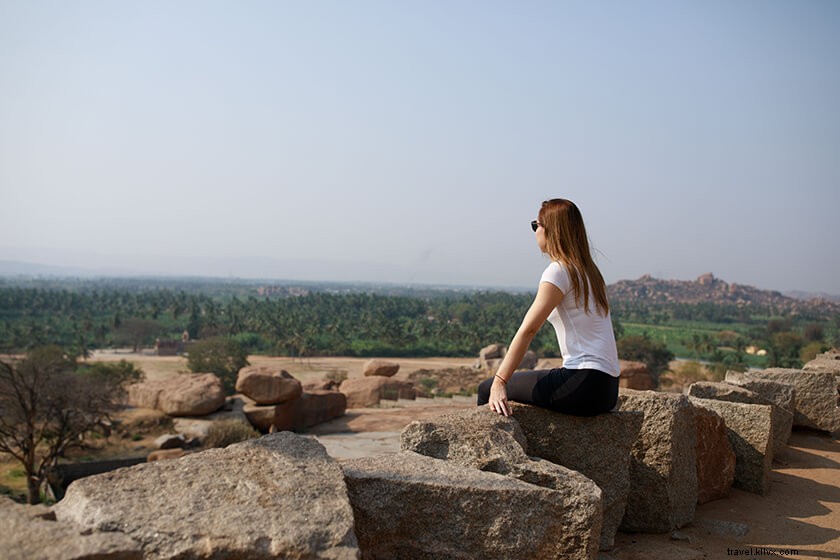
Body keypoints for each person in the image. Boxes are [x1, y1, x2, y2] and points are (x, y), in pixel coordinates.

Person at [476, 198, 620, 417]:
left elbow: (528, 330)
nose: (534, 231)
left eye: (536, 225)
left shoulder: (559, 271)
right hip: (607, 389)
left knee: (486, 389)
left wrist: (500, 381)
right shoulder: (590, 273)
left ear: (551, 231)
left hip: (582, 382)